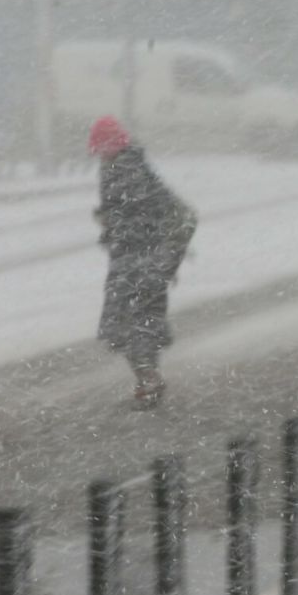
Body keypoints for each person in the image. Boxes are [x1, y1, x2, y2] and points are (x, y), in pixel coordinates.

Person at [88, 116, 197, 410]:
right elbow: (139, 213)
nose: (99, 153)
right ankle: (148, 378)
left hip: (139, 262)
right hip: (137, 261)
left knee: (135, 323)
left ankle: (148, 380)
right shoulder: (123, 168)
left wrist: (116, 226)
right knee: (139, 322)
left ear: (113, 145)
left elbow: (139, 217)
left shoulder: (126, 171)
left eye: (101, 147)